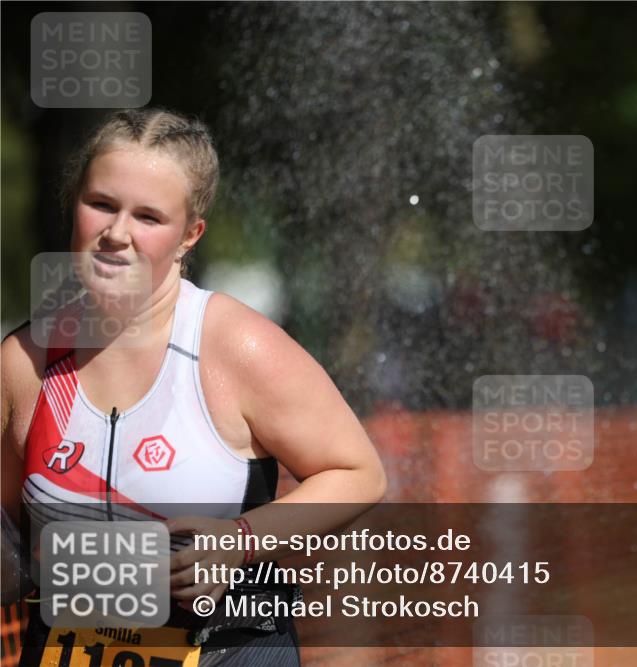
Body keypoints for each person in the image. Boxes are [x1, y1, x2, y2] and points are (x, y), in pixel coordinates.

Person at [1, 108, 388, 666]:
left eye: (149, 217)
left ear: (189, 235)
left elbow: (359, 473)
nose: (117, 234)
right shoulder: (24, 362)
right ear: (74, 204)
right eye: (102, 204)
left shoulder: (237, 347)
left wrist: (237, 540)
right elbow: (9, 544)